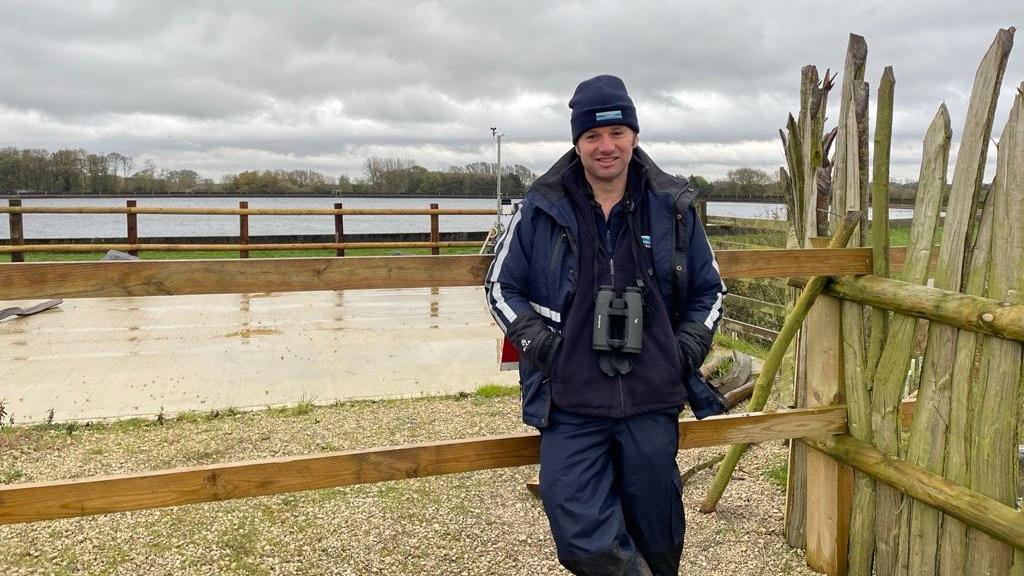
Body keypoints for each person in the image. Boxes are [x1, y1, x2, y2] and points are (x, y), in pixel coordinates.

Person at [484, 75, 726, 575]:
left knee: (658, 538)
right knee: (580, 533)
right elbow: (499, 287)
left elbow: (711, 290)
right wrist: (543, 345)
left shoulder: (673, 206)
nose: (606, 146)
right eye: (592, 135)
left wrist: (681, 352)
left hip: (651, 399)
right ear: (577, 141)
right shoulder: (541, 207)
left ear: (634, 134)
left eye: (616, 132)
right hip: (570, 401)